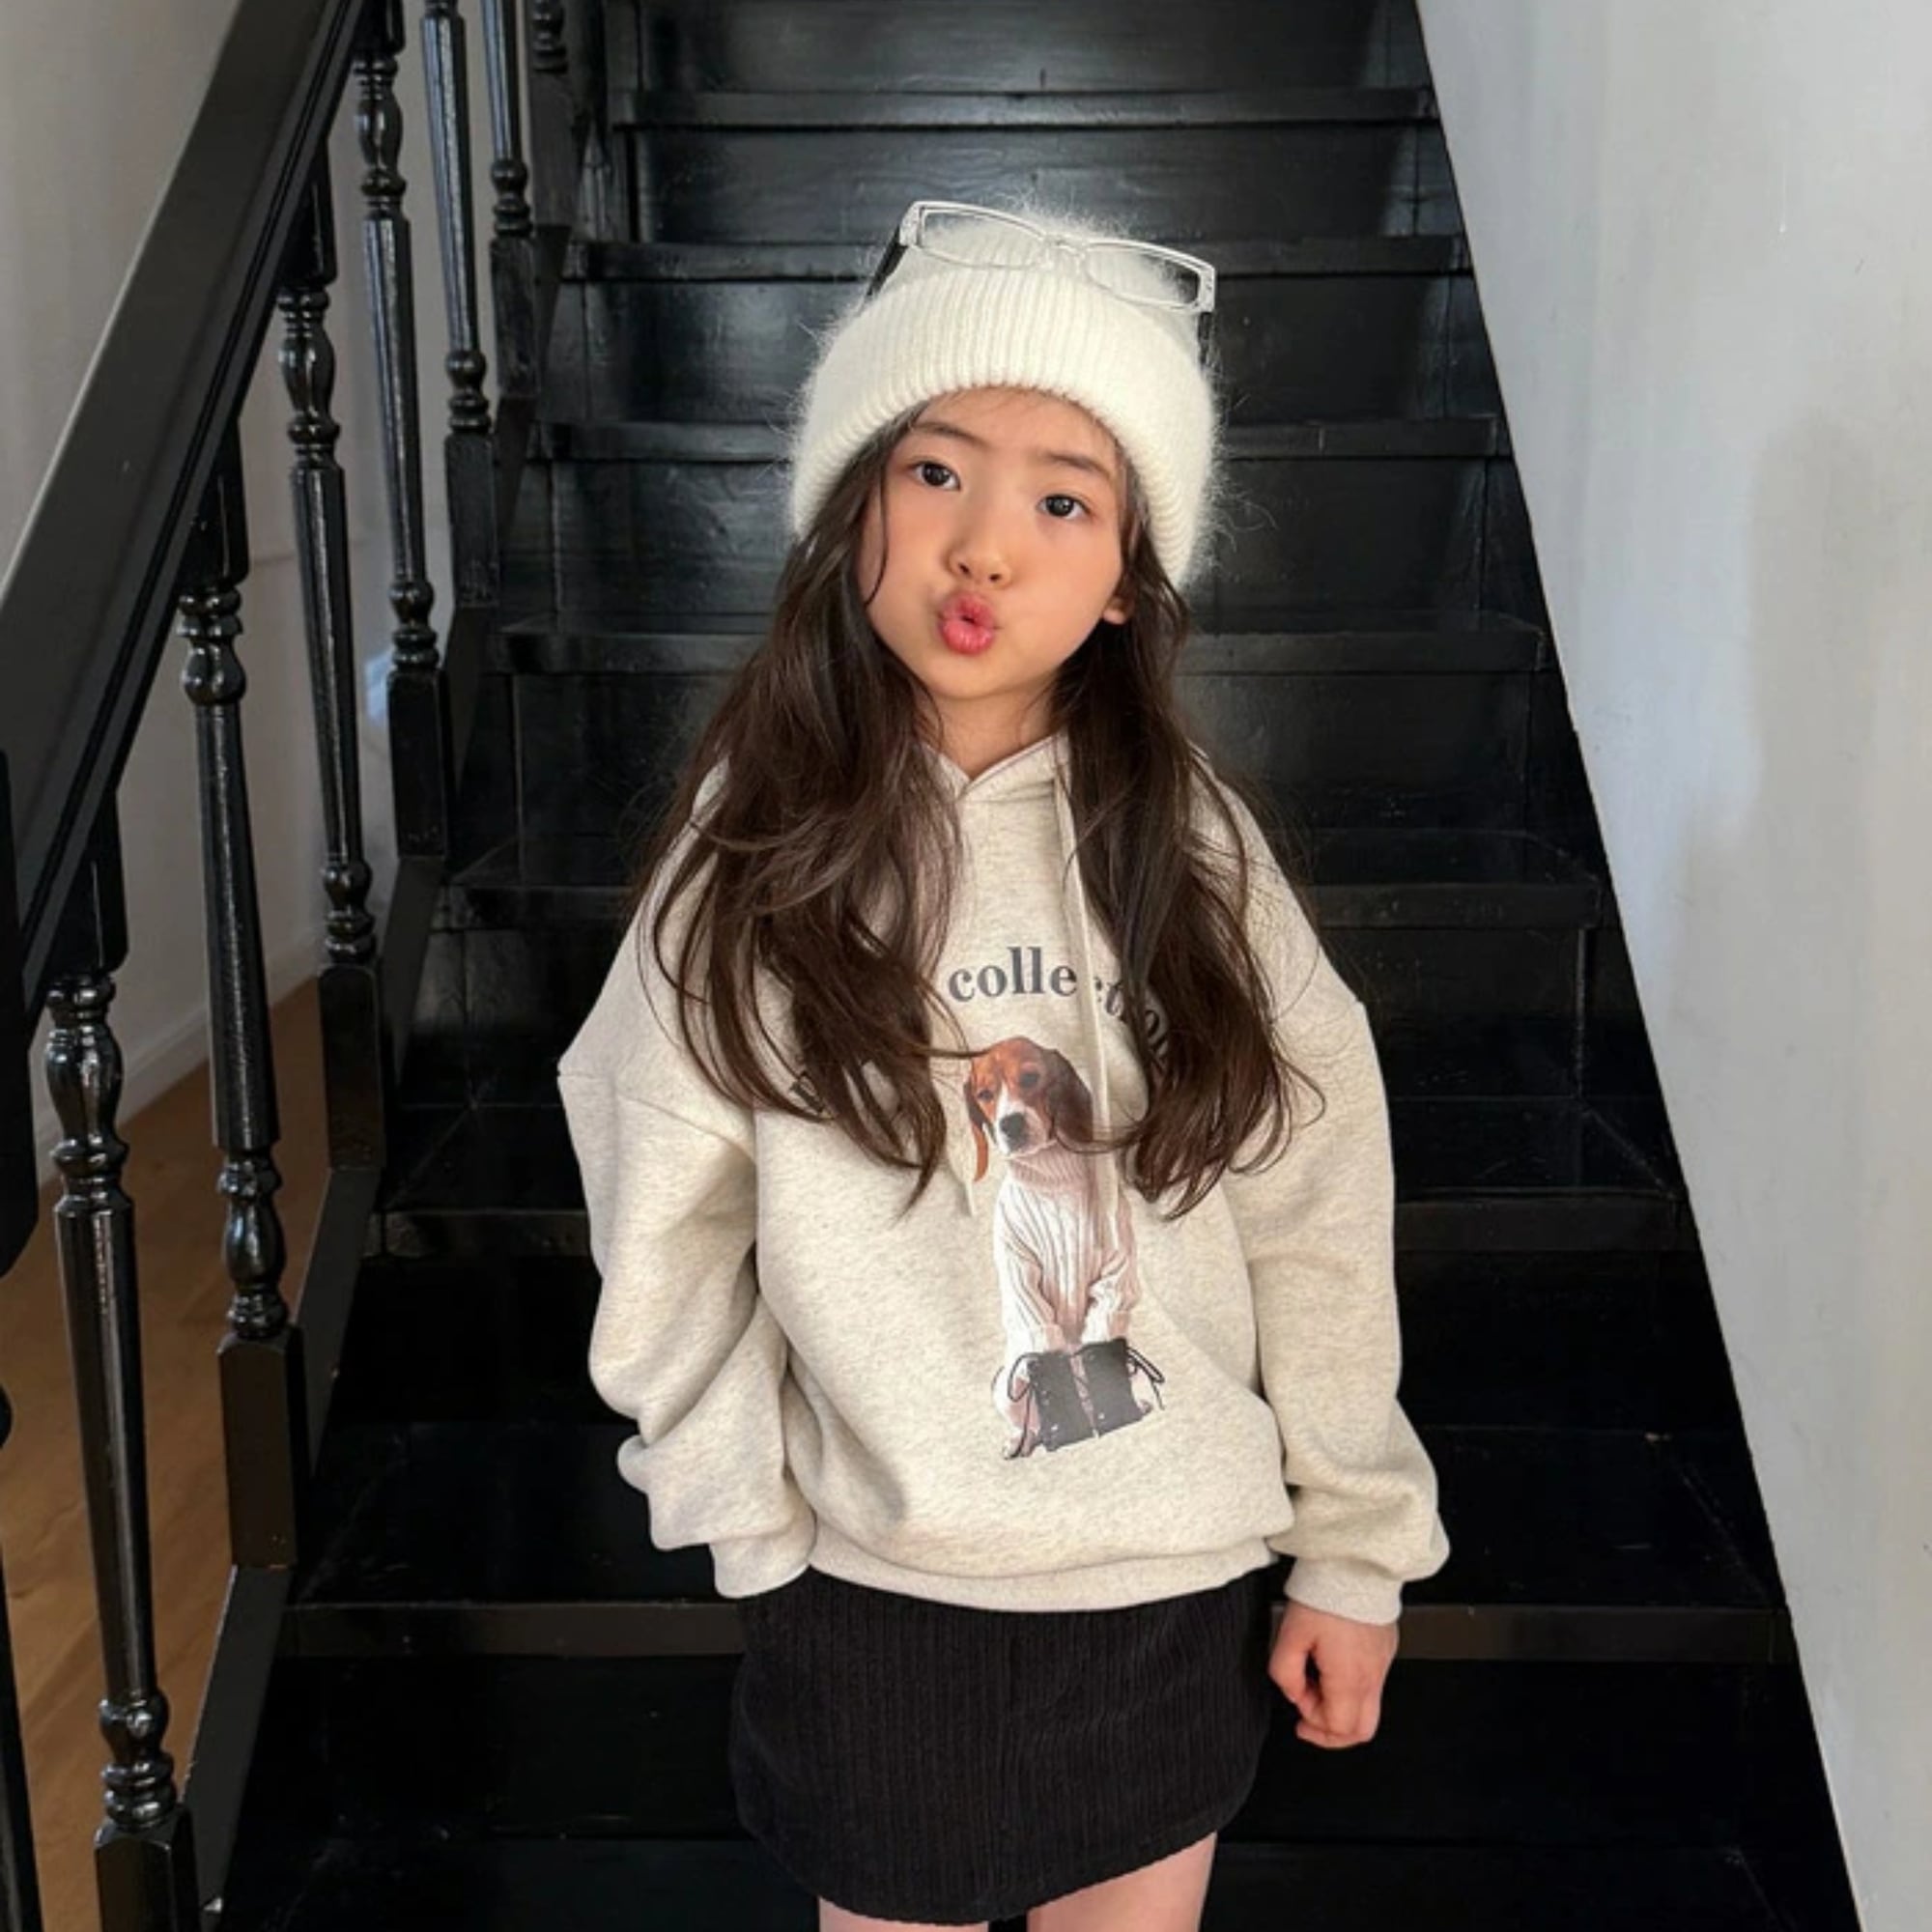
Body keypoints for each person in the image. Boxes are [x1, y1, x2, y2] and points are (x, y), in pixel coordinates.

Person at [555, 193, 1452, 1931]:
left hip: (1170, 1580)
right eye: (935, 471)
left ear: (1126, 581)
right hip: (873, 1593)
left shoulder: (1192, 851)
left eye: (1063, 500)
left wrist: (1354, 1545)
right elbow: (658, 1187)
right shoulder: (751, 851)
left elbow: (1317, 1204)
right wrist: (743, 1513)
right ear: (855, 506)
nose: (985, 548)